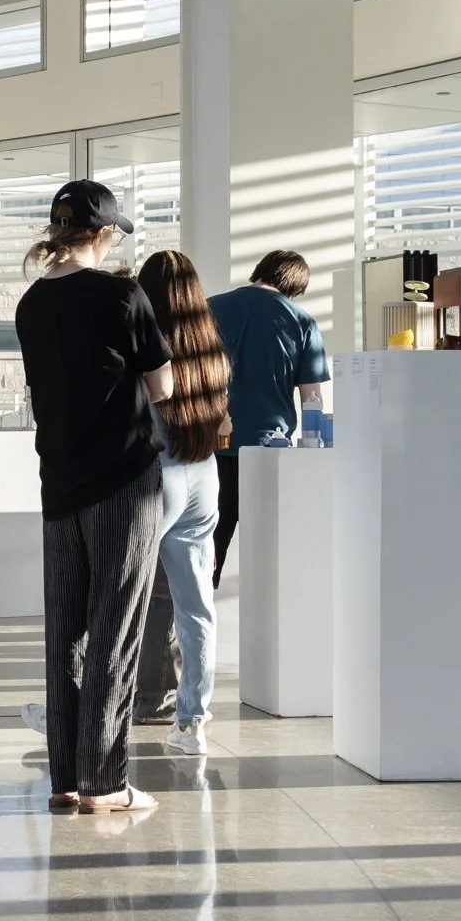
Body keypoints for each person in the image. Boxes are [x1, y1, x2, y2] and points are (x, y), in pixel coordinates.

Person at [13, 180, 172, 815]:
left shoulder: (32, 303)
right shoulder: (122, 295)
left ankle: (66, 780)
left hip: (59, 481)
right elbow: (162, 387)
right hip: (124, 481)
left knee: (66, 634)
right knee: (116, 628)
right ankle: (105, 782)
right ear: (103, 233)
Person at [129, 251, 230, 757]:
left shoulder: (144, 345)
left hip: (158, 474)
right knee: (197, 608)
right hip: (203, 476)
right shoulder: (212, 352)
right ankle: (191, 723)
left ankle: (88, 709)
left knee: (118, 596)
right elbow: (224, 423)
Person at [206, 249, 329, 586]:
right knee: (268, 548)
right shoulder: (302, 321)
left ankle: (196, 612)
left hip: (211, 444)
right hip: (269, 448)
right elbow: (312, 398)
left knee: (208, 547)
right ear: (295, 286)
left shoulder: (209, 308)